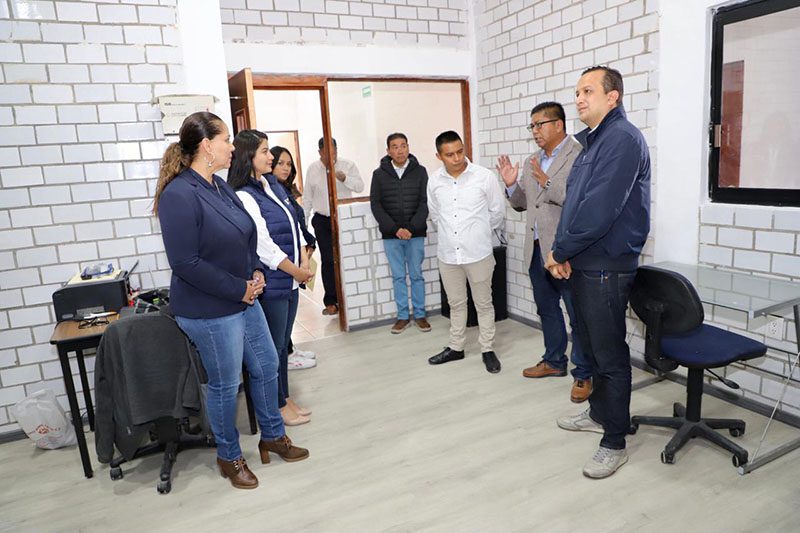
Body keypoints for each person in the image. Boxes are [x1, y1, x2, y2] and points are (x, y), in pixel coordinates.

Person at [154, 112, 308, 490]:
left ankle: (272, 436)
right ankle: (229, 456)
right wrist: (239, 288)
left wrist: (254, 271)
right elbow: (185, 263)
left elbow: (244, 236)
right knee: (225, 384)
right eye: (226, 140)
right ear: (207, 146)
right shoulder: (178, 194)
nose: (232, 148)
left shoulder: (220, 187)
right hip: (208, 308)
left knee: (267, 364)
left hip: (243, 297)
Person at [545, 66, 651, 479]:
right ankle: (598, 413)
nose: (578, 99)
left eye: (588, 91)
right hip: (586, 262)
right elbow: (576, 204)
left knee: (609, 356)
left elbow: (600, 210)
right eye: (576, 92)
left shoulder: (622, 139)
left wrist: (560, 250)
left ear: (613, 97)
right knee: (589, 347)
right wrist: (565, 253)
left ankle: (615, 441)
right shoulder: (594, 141)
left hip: (606, 265)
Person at [496, 102, 593, 403]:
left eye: (540, 124)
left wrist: (546, 181)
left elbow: (579, 201)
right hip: (536, 250)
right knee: (547, 309)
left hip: (565, 254)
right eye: (532, 126)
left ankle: (584, 373)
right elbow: (523, 204)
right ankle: (553, 360)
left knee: (577, 316)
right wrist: (511, 186)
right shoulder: (532, 160)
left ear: (559, 125)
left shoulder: (580, 155)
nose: (535, 131)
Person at [227, 131, 315, 427]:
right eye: (265, 151)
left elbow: (295, 223)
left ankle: (285, 398)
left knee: (283, 347)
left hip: (290, 280)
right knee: (273, 349)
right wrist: (297, 271)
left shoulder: (271, 184)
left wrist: (305, 258)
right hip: (275, 281)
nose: (271, 157)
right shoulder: (244, 194)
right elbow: (264, 245)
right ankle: (276, 406)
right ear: (248, 156)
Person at [427, 131, 505, 374]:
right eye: (449, 154)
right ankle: (456, 347)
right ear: (439, 156)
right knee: (456, 304)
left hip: (478, 254)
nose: (457, 158)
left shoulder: (484, 176)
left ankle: (487, 349)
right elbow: (435, 215)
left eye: (460, 151)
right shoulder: (434, 181)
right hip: (448, 255)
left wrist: (477, 233)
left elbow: (497, 212)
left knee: (484, 303)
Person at [370, 133, 431, 334]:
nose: (400, 150)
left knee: (416, 275)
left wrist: (411, 228)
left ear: (408, 147)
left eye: (403, 146)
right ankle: (403, 316)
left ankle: (420, 315)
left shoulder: (420, 172)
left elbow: (425, 202)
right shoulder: (379, 174)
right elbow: (376, 205)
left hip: (416, 233)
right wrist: (395, 229)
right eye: (395, 147)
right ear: (388, 151)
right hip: (392, 235)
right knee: (398, 277)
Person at [303, 137, 364, 316]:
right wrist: (304, 226)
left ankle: (349, 297)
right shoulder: (313, 169)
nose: (331, 156)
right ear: (320, 152)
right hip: (322, 220)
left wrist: (345, 178)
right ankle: (331, 301)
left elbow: (360, 187)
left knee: (346, 257)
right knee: (328, 260)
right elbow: (307, 198)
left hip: (343, 218)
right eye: (327, 152)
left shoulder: (348, 165)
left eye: (334, 151)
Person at [270, 145, 318, 370]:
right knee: (280, 322)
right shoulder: (268, 193)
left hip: (299, 255)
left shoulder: (287, 190)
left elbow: (298, 224)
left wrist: (307, 248)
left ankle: (289, 349)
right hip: (281, 265)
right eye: (280, 163)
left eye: (289, 164)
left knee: (287, 317)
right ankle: (286, 354)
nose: (286, 168)